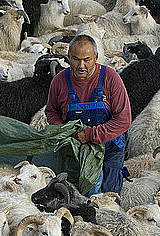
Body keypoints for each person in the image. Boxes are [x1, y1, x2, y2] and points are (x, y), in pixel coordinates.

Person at [45, 34, 132, 195]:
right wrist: (63, 131)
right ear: (68, 58)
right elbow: (52, 111)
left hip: (109, 149)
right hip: (75, 150)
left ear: (96, 58)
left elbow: (123, 119)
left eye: (87, 59)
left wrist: (91, 134)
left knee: (108, 197)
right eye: (76, 59)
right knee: (75, 195)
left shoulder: (111, 78)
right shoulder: (59, 81)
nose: (81, 65)